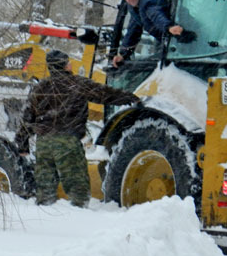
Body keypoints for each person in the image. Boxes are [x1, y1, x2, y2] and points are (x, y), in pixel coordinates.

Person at [15, 50, 140, 207]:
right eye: (68, 62)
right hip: (67, 142)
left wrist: (22, 144)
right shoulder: (77, 84)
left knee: (45, 190)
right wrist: (131, 98)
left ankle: (45, 215)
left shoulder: (39, 88)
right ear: (65, 66)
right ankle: (78, 215)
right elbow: (105, 94)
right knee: (77, 189)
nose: (71, 64)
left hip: (44, 144)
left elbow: (27, 117)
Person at [112, 0, 185, 68]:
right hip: (172, 39)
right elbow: (133, 30)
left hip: (183, 32)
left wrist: (168, 27)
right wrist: (122, 54)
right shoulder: (135, 6)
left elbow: (156, 14)